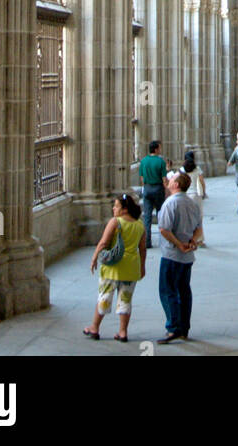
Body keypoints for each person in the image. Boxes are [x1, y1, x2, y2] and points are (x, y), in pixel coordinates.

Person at [84, 192, 146, 342]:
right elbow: (142, 248)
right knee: (125, 299)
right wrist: (142, 267)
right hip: (131, 267)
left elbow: (104, 243)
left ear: (124, 209)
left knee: (104, 297)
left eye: (116, 206)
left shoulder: (115, 222)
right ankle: (123, 332)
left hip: (113, 267)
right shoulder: (140, 225)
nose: (113, 208)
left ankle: (94, 328)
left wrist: (94, 258)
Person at [157, 171, 202, 343]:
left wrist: (178, 244)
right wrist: (191, 241)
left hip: (172, 254)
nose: (169, 180)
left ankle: (173, 327)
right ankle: (184, 328)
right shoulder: (192, 204)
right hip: (187, 256)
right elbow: (199, 228)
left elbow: (164, 229)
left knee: (168, 290)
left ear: (176, 185)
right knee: (184, 290)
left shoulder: (170, 203)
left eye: (172, 179)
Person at [139, 139, 168, 245]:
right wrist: (167, 190)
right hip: (158, 188)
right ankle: (163, 240)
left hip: (147, 188)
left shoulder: (143, 161)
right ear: (156, 149)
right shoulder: (160, 161)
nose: (160, 149)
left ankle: (147, 241)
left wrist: (146, 187)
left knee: (147, 216)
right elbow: (164, 179)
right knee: (161, 214)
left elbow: (141, 178)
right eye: (159, 147)